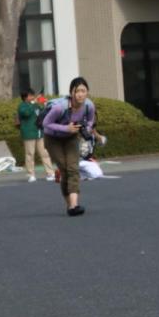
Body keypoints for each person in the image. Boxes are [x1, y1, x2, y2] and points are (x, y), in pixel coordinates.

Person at [41, 77, 96, 216]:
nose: (80, 94)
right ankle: (69, 204)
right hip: (53, 139)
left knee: (73, 168)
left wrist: (86, 128)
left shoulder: (89, 105)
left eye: (83, 91)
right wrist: (66, 128)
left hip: (71, 137)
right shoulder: (60, 107)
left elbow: (91, 120)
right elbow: (46, 123)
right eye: (77, 91)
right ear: (71, 92)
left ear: (87, 92)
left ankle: (74, 205)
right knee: (65, 170)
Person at [16, 89, 56, 182]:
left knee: (44, 153)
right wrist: (34, 104)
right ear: (25, 97)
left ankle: (50, 173)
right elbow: (26, 113)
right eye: (30, 95)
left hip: (39, 132)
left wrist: (45, 105)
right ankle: (31, 174)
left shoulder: (36, 105)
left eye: (33, 95)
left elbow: (43, 113)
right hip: (28, 133)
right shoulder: (22, 106)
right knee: (30, 154)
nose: (33, 97)